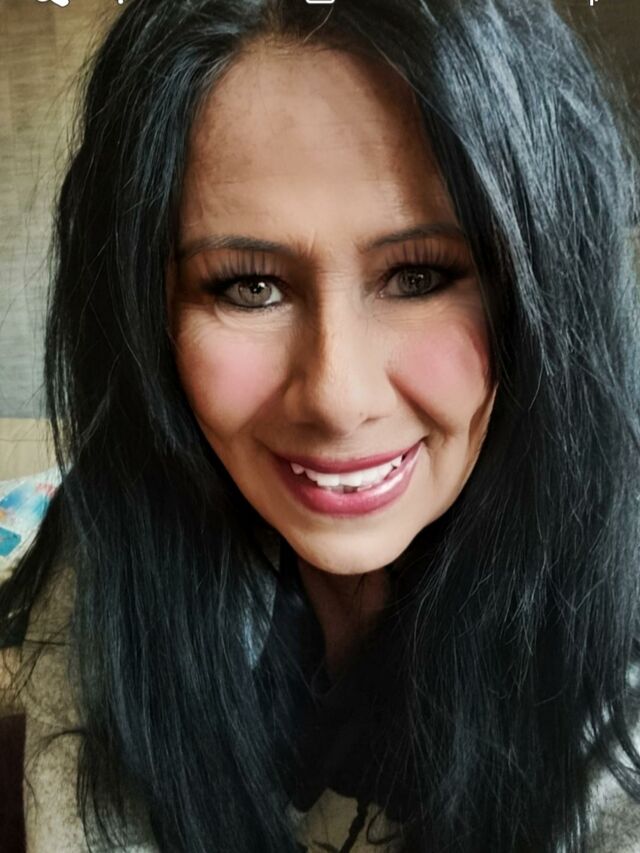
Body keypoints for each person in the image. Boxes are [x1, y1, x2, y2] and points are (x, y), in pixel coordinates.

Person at [1, 0, 640, 850]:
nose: (337, 397)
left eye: (420, 275)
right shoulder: (104, 571)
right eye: (249, 286)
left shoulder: (615, 656)